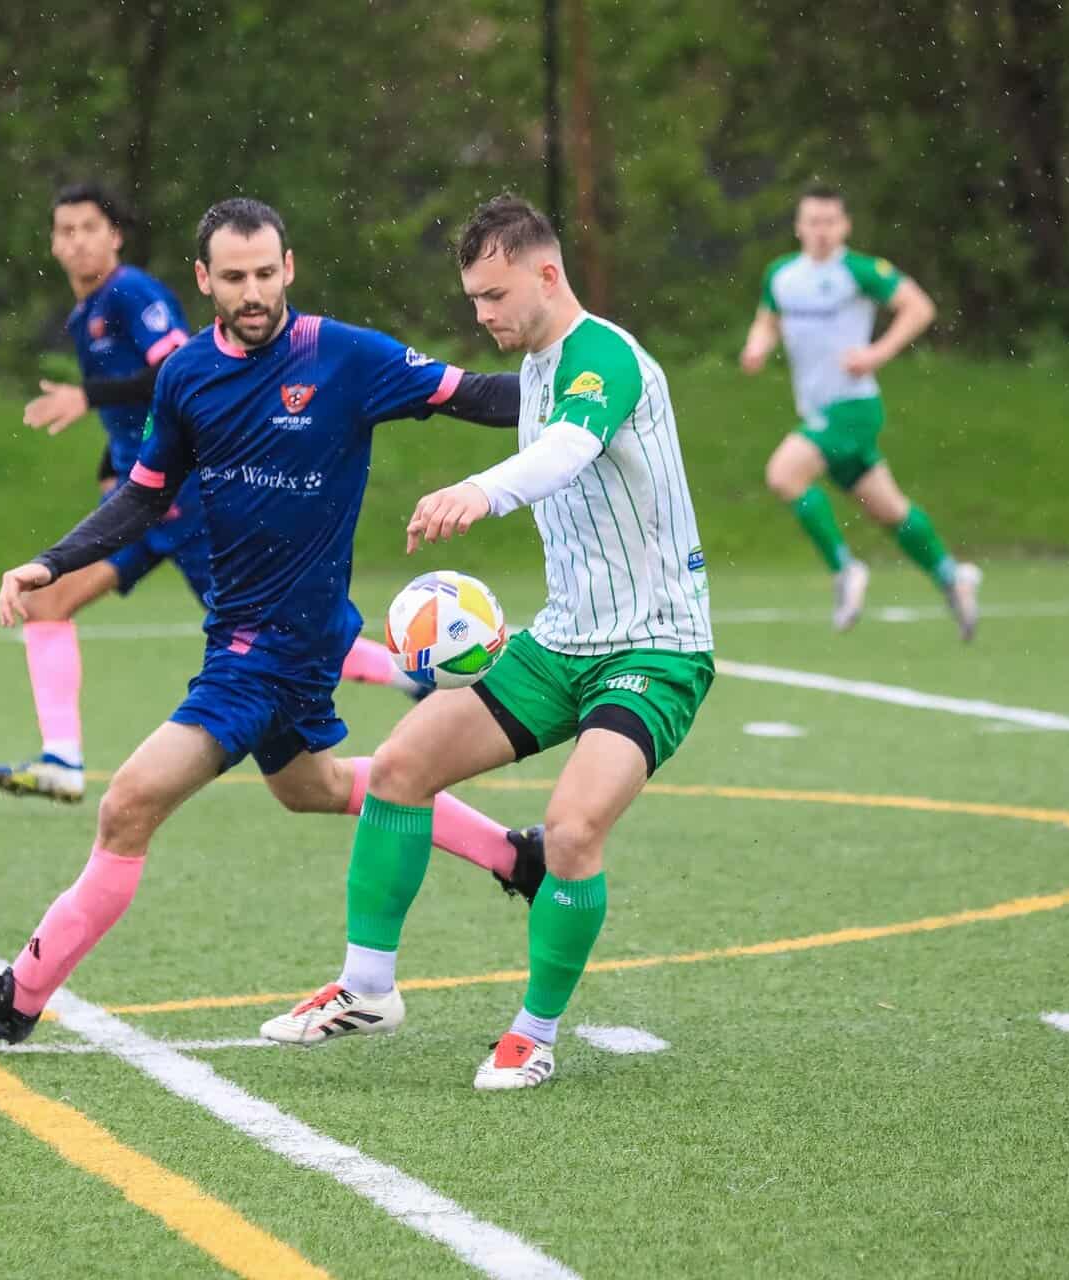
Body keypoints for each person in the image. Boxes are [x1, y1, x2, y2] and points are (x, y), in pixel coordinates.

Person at [0, 198, 541, 1045]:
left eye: (264, 274)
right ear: (204, 280)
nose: (252, 294)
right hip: (242, 634)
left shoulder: (346, 356)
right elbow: (145, 495)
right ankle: (517, 856)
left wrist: (591, 384)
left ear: (288, 268)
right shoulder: (185, 377)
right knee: (313, 788)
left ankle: (17, 998)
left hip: (275, 651)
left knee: (128, 805)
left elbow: (479, 394)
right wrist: (53, 562)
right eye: (233, 278)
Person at [258, 195, 715, 1092]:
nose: (483, 315)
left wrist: (481, 491)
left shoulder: (603, 357)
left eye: (495, 295)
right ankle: (366, 989)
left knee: (572, 830)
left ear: (548, 274)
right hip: (562, 640)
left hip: (653, 650)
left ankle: (533, 1034)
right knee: (400, 766)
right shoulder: (537, 368)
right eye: (473, 298)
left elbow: (568, 451)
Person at [0, 184, 421, 807]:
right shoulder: (86, 313)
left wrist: (90, 398)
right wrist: (114, 463)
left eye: (89, 227)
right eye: (65, 230)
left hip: (194, 503)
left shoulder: (130, 294)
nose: (77, 241)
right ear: (52, 243)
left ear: (116, 236)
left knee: (277, 630)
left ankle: (416, 673)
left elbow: (174, 370)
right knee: (49, 602)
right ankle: (62, 759)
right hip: (147, 503)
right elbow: (156, 414)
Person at [739, 184, 979, 638]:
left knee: (784, 475)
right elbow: (767, 321)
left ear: (845, 225)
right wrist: (757, 347)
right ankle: (952, 576)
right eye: (813, 221)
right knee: (889, 511)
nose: (822, 231)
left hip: (852, 408)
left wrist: (877, 354)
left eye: (830, 221)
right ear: (799, 226)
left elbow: (919, 307)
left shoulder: (860, 271)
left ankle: (845, 570)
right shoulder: (782, 275)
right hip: (819, 411)